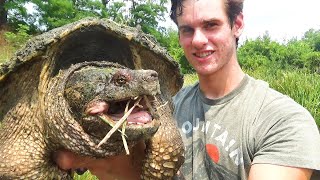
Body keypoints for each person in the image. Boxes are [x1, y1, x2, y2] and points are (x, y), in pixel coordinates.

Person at [55, 0, 320, 179]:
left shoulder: (285, 121)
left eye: (211, 25)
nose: (198, 40)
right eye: (187, 30)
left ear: (237, 24)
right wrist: (86, 155)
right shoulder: (164, 109)